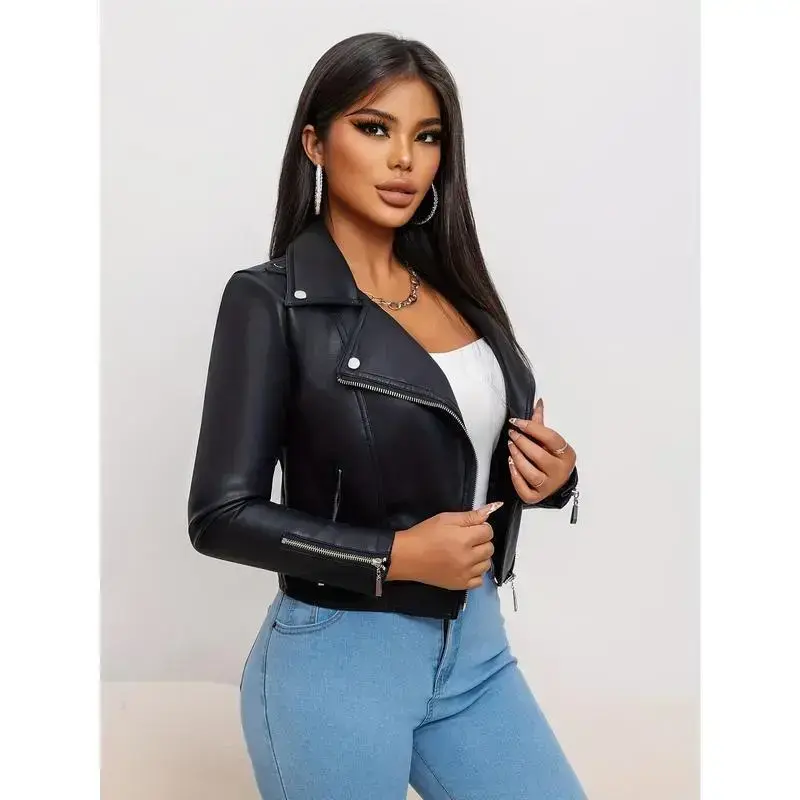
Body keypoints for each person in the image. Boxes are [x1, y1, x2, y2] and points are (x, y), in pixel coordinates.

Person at [188, 30, 585, 800]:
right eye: (375, 128)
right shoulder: (270, 302)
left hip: (476, 651)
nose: (404, 158)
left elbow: (460, 452)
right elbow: (219, 514)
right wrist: (393, 555)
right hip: (339, 663)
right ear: (316, 143)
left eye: (426, 136)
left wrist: (555, 479)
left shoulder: (457, 293)